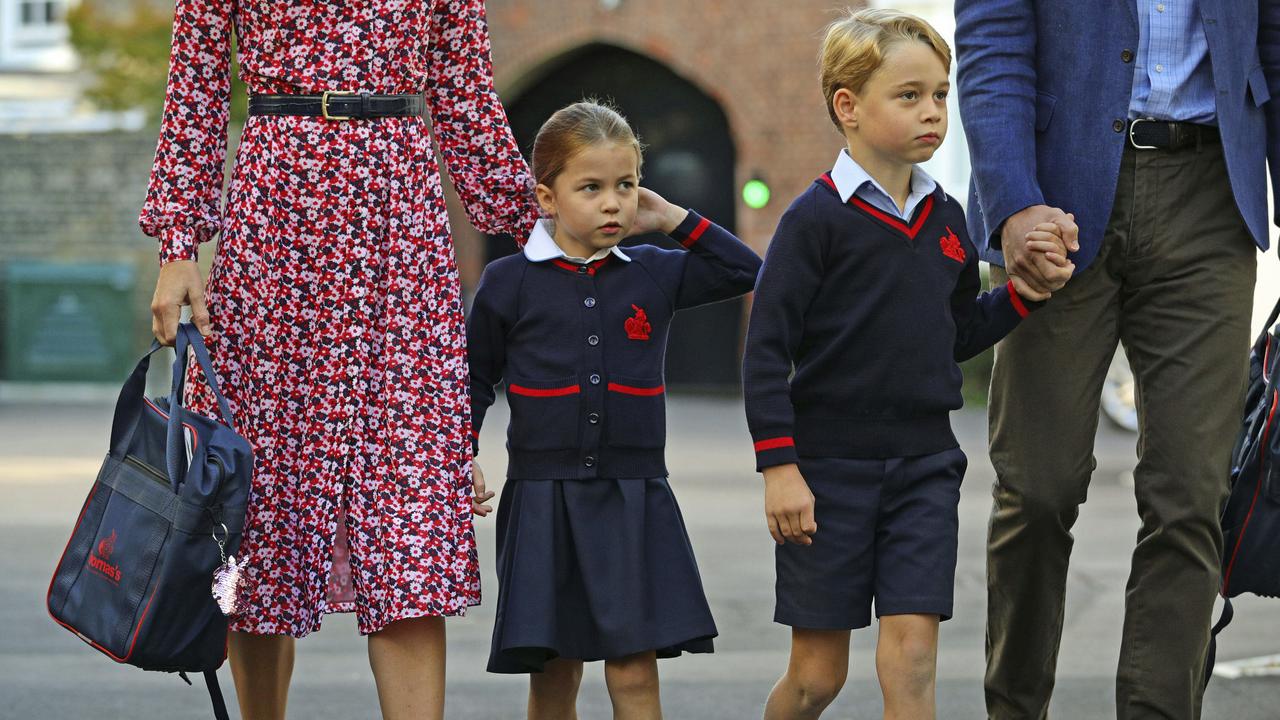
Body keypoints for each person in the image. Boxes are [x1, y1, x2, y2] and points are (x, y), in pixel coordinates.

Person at [140, 0, 539, 717]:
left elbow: (464, 88)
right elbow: (195, 84)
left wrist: (536, 230)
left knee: (409, 500)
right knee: (257, 504)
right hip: (275, 215)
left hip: (399, 220)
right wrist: (178, 247)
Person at [741, 10, 1074, 719]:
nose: (932, 112)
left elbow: (954, 332)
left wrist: (1020, 295)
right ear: (848, 107)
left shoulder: (949, 218)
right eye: (910, 95)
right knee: (816, 678)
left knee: (914, 661)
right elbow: (765, 351)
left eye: (941, 95)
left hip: (925, 467)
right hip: (826, 473)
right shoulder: (814, 221)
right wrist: (779, 467)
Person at [955, 1, 1280, 716]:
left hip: (1212, 193)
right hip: (1058, 194)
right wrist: (1012, 203)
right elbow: (993, 40)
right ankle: (1014, 708)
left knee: (1191, 496)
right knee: (1036, 488)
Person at [467, 101, 761, 719]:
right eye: (591, 188)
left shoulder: (651, 274)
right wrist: (457, 458)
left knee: (634, 670)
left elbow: (745, 270)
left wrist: (673, 217)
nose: (613, 203)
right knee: (553, 675)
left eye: (626, 186)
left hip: (634, 497)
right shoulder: (508, 281)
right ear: (546, 198)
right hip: (542, 498)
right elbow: (473, 380)